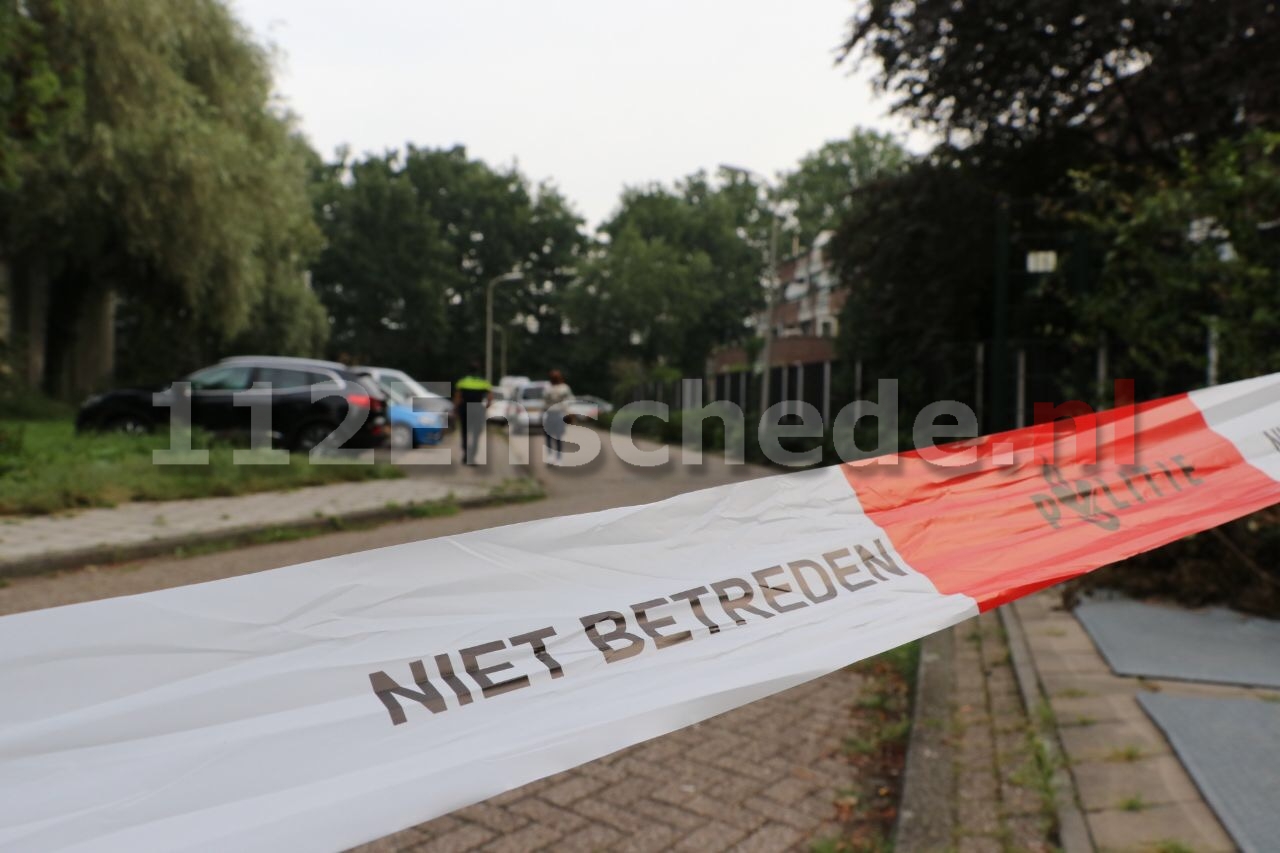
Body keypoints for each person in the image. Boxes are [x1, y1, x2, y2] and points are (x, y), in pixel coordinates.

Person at [453, 364, 491, 465]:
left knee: (464, 433)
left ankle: (466, 454)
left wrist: (456, 409)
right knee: (476, 435)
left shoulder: (462, 382)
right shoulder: (484, 383)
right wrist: (486, 407)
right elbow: (490, 397)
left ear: (468, 371)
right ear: (478, 372)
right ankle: (472, 456)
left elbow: (457, 397)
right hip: (477, 409)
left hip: (464, 409)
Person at [543, 369, 573, 464]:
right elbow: (544, 401)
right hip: (550, 413)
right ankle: (550, 456)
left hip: (559, 414)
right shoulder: (547, 388)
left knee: (558, 437)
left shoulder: (564, 388)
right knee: (548, 435)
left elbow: (569, 401)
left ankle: (558, 457)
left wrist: (569, 413)